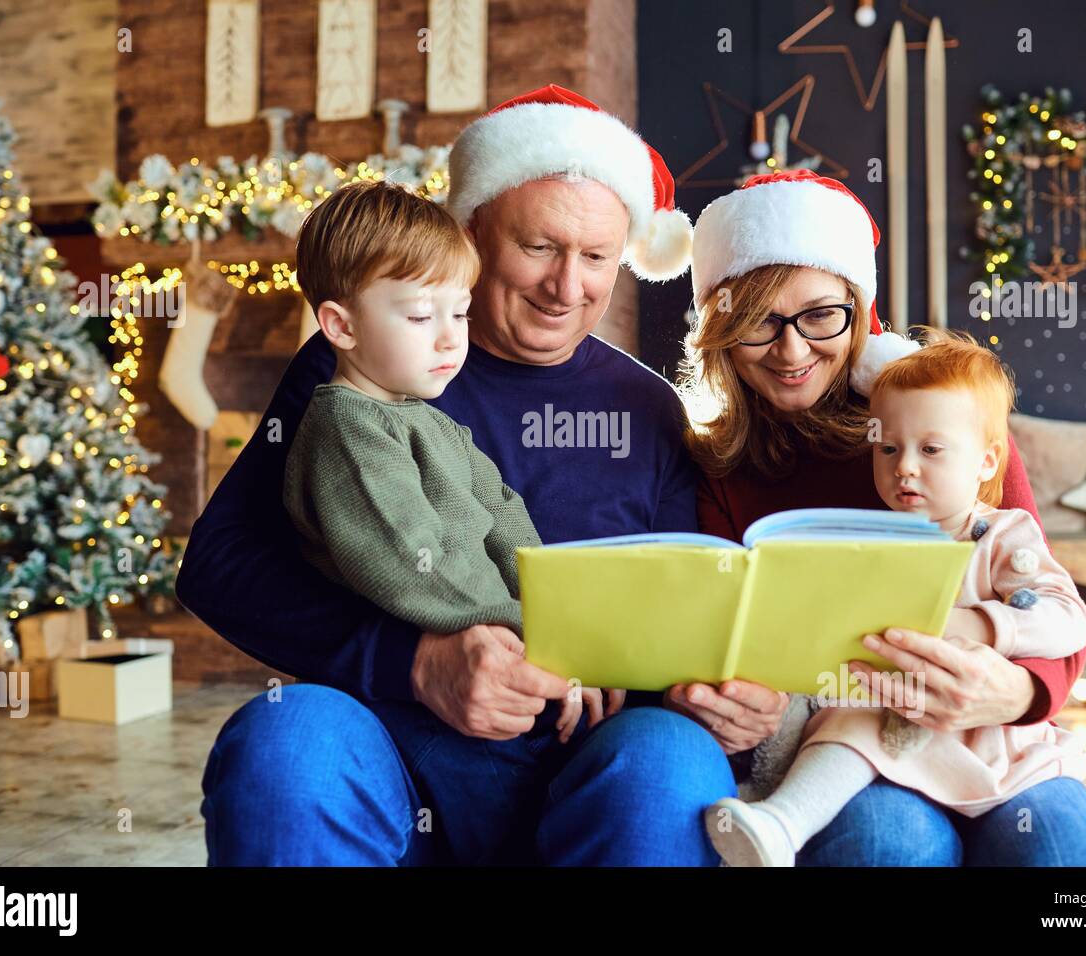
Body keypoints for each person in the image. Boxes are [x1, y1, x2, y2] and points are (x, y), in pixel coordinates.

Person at [182, 85, 748, 866]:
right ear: (473, 231)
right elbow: (218, 567)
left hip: (585, 759)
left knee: (670, 765)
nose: (568, 287)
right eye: (540, 247)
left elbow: (692, 603)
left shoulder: (649, 408)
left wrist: (718, 689)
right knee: (288, 740)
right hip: (395, 749)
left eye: (596, 258)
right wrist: (412, 663)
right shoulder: (359, 370)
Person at [680, 169, 1086, 865]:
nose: (792, 349)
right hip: (858, 742)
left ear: (860, 312)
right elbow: (716, 632)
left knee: (1069, 850)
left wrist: (1013, 689)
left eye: (819, 315)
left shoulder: (947, 425)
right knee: (888, 843)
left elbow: (1048, 604)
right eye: (758, 322)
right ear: (720, 328)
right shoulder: (715, 465)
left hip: (996, 738)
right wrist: (723, 694)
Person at [707, 330, 1086, 866]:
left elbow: (1067, 619)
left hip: (990, 745)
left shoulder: (1002, 536)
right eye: (888, 448)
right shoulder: (871, 541)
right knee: (848, 729)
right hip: (888, 730)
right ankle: (781, 824)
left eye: (931, 450)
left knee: (1068, 851)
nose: (905, 467)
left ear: (989, 463)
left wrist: (984, 628)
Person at [282, 180, 613, 743]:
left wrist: (561, 623)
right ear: (341, 326)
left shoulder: (430, 420)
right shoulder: (349, 427)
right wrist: (530, 632)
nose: (447, 341)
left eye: (458, 314)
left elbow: (506, 520)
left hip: (508, 662)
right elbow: (409, 556)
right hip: (412, 715)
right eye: (418, 318)